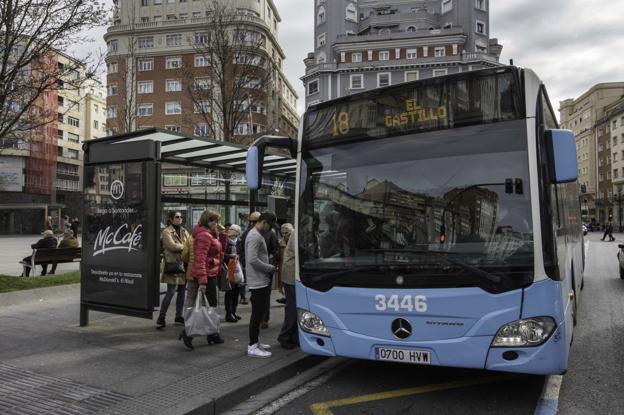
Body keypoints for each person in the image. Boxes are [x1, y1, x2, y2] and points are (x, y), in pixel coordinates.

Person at [178, 210, 228, 349]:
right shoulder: (204, 236)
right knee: (210, 307)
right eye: (214, 221)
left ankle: (212, 334)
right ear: (207, 221)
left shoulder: (210, 234)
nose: (216, 223)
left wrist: (222, 234)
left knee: (211, 307)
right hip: (207, 276)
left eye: (217, 221)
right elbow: (200, 259)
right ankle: (190, 333)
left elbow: (221, 249)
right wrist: (203, 281)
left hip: (210, 274)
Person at [245, 211, 277, 358]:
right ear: (264, 222)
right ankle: (252, 346)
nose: (269, 230)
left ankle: (256, 341)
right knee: (257, 314)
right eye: (269, 226)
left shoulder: (255, 235)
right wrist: (269, 268)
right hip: (258, 280)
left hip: (258, 279)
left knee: (258, 313)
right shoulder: (255, 236)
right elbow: (252, 259)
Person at [156, 211, 190, 330]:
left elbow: (190, 244)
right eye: (177, 217)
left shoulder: (184, 231)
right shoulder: (166, 231)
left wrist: (184, 248)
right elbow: (172, 246)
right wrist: (185, 247)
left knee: (182, 292)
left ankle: (178, 316)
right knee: (171, 291)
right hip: (173, 265)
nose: (179, 219)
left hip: (184, 265)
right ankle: (161, 317)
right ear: (171, 219)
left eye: (181, 217)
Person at [277, 227, 298, 349]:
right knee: (292, 307)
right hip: (291, 275)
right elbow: (300, 250)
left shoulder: (299, 231)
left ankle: (293, 336)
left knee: (295, 307)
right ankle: (284, 336)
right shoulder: (297, 232)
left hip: (293, 275)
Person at [237, 212, 261, 304]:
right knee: (244, 279)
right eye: (250, 221)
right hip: (248, 262)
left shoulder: (266, 233)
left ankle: (254, 296)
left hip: (259, 264)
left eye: (254, 221)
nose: (252, 224)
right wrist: (244, 260)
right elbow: (241, 248)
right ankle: (243, 296)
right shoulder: (247, 233)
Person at [224, 224, 243, 323]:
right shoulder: (225, 241)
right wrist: (229, 256)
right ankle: (228, 313)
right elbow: (221, 254)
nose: (229, 230)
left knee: (236, 292)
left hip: (238, 269)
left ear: (237, 233)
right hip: (228, 269)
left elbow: (243, 253)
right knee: (229, 292)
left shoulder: (239, 242)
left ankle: (234, 312)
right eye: (229, 228)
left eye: (232, 229)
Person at [276, 223, 294, 305]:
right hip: (283, 269)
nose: (285, 235)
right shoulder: (280, 243)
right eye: (283, 233)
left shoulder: (295, 240)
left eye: (287, 232)